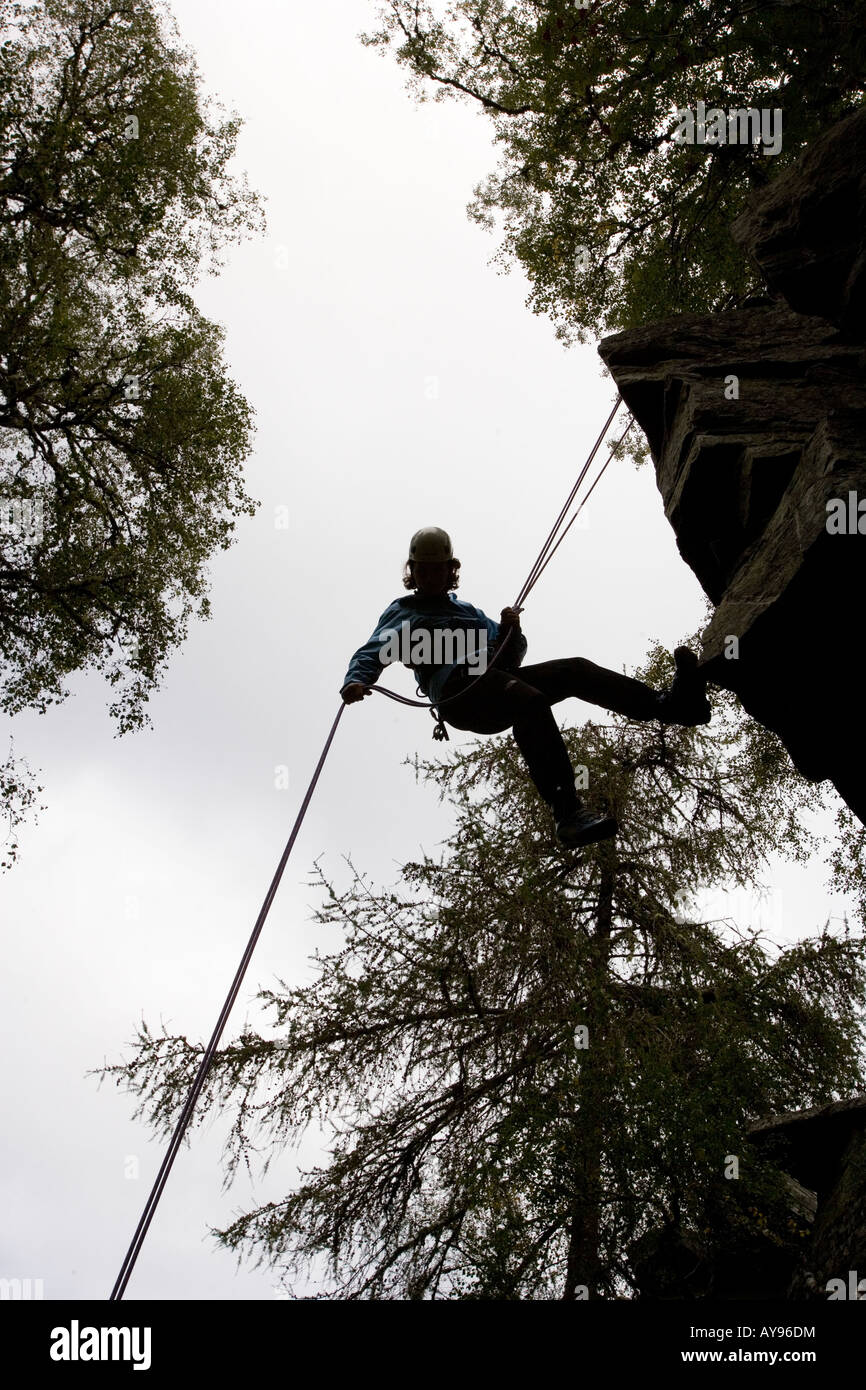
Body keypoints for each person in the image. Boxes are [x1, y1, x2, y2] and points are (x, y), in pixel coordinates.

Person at [341, 527, 710, 848]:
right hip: (459, 693)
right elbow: (376, 648)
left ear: (450, 570)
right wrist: (357, 679)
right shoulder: (405, 612)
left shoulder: (469, 613)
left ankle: (672, 706)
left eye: (439, 568)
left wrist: (510, 630)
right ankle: (567, 815)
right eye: (424, 569)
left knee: (575, 670)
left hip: (491, 681)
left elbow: (509, 656)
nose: (432, 575)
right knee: (529, 702)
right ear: (414, 572)